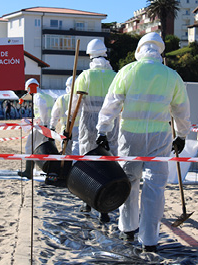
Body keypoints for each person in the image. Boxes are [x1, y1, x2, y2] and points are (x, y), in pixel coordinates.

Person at [96, 32, 191, 252]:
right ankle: (150, 240)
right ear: (160, 51)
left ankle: (128, 229)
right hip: (160, 137)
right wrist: (182, 135)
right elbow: (182, 110)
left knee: (128, 182)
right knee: (155, 187)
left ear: (139, 49)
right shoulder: (171, 75)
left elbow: (111, 103)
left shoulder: (128, 71)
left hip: (130, 136)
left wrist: (103, 129)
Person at [71, 38, 120, 223]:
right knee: (108, 163)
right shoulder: (114, 76)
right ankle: (105, 207)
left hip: (89, 123)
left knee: (88, 161)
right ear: (105, 54)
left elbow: (75, 105)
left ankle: (88, 202)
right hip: (110, 124)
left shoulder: (84, 76)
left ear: (90, 56)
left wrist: (68, 126)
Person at [18, 78, 54, 179]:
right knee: (46, 147)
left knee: (29, 146)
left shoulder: (38, 97)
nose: (28, 92)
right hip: (49, 126)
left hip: (41, 126)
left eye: (28, 89)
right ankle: (50, 170)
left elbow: (42, 109)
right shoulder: (48, 96)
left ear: (31, 87)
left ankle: (28, 171)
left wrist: (43, 123)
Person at [50, 76, 79, 156]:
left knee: (66, 153)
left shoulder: (62, 99)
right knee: (78, 152)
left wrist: (52, 127)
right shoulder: (81, 98)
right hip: (80, 129)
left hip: (66, 129)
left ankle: (67, 167)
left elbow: (55, 115)